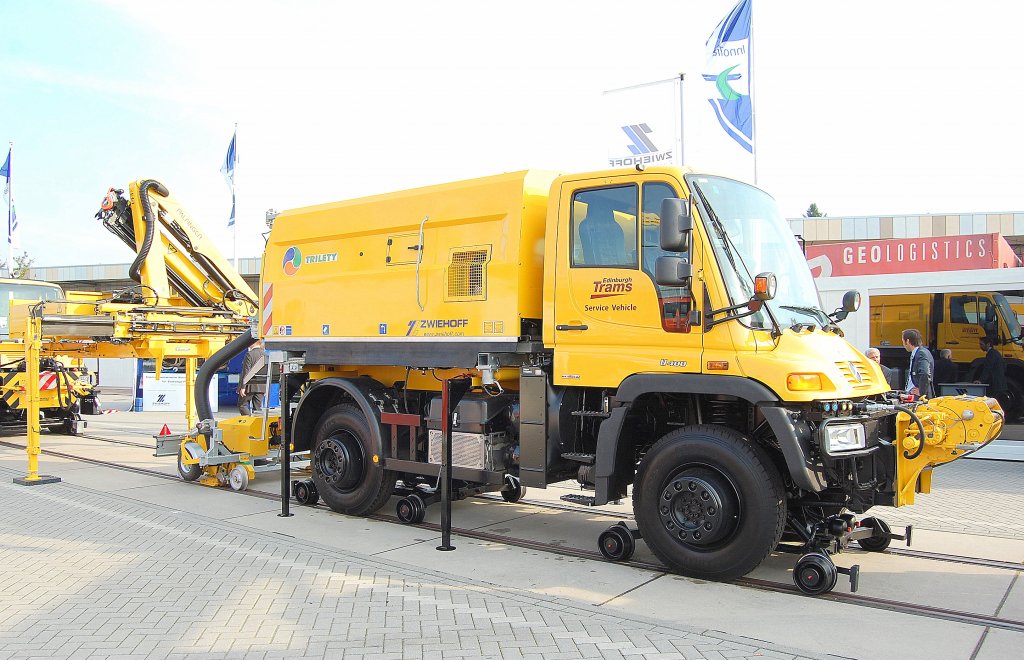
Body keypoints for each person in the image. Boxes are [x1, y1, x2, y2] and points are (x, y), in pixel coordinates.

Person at [974, 336, 1007, 409]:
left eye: (981, 344)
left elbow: (988, 368)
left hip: (995, 383)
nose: (980, 346)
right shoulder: (996, 353)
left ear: (988, 344)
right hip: (999, 383)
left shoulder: (991, 354)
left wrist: (981, 380)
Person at [902, 328, 934, 398]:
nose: (903, 344)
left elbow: (925, 373)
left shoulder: (921, 353)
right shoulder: (920, 352)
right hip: (914, 395)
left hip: (918, 397)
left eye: (903, 341)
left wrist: (921, 391)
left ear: (907, 341)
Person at [238, 340, 267, 415]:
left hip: (250, 385)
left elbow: (246, 371)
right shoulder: (265, 355)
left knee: (242, 405)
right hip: (262, 386)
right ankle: (257, 424)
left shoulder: (249, 354)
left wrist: (243, 387)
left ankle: (248, 422)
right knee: (258, 408)